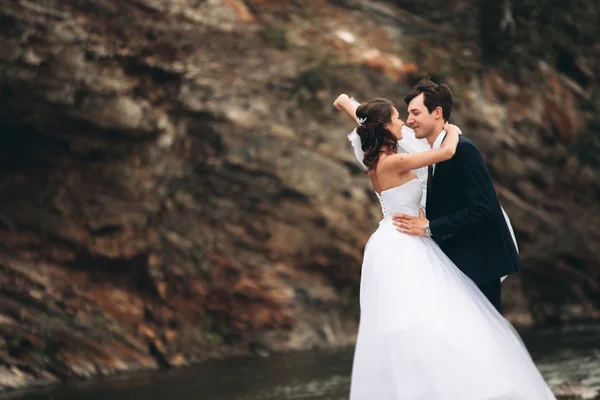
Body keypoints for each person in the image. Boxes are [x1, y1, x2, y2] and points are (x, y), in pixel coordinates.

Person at [333, 94, 556, 399]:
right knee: (440, 315)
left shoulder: (373, 161)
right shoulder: (396, 160)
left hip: (394, 236)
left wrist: (347, 104)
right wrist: (452, 130)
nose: (403, 123)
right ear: (384, 127)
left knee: (418, 317)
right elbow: (448, 152)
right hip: (410, 239)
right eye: (398, 118)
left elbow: (365, 121)